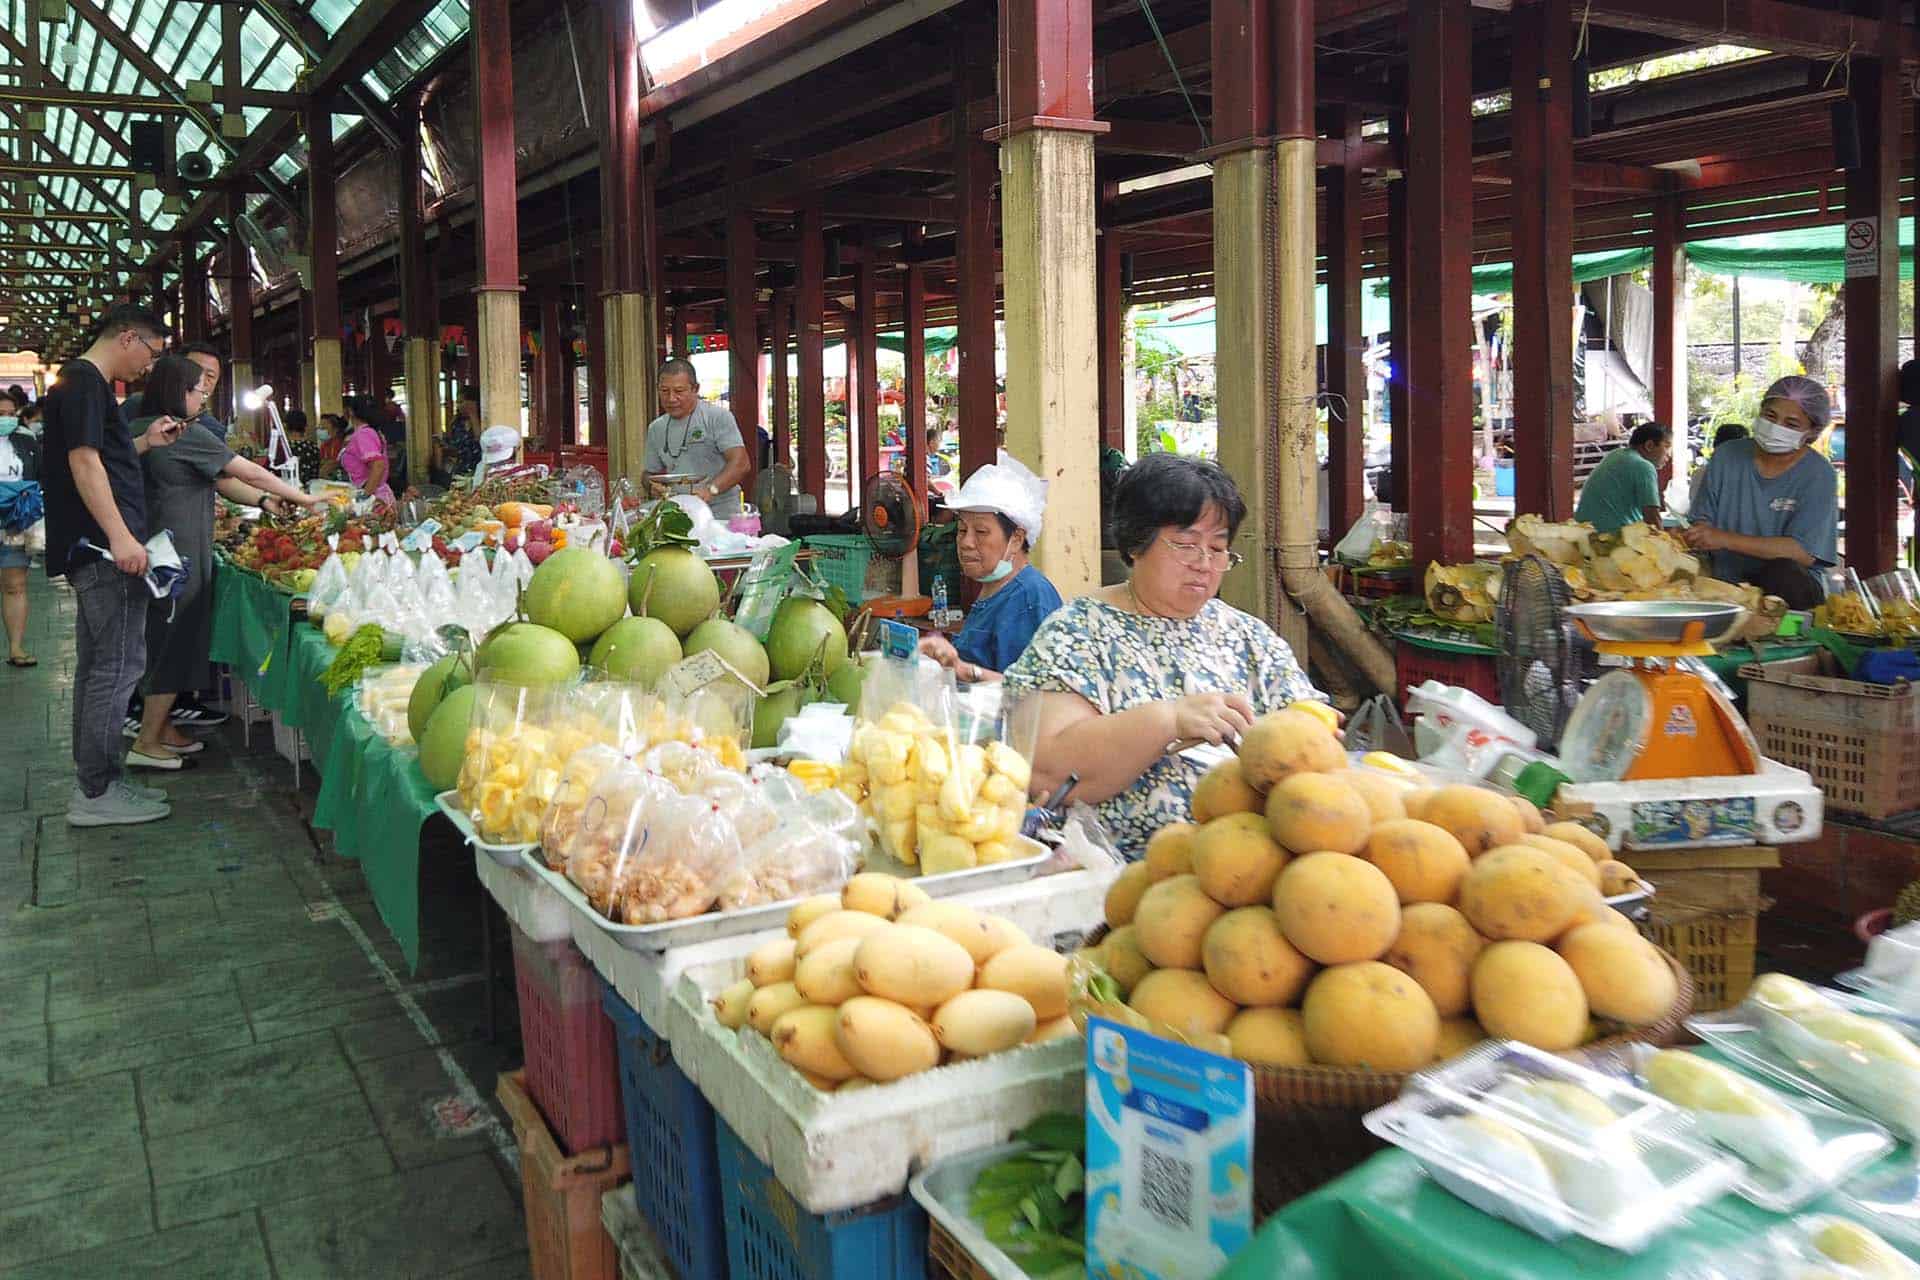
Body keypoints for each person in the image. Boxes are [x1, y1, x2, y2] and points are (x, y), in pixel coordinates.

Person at [1003, 453, 1328, 857]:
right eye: (1186, 545)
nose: (1204, 565)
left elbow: (1318, 736)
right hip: (1126, 875)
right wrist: (1168, 720)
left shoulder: (1249, 638)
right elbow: (1046, 771)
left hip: (1252, 866)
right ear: (1137, 543)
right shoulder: (1078, 633)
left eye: (1218, 549)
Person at [124, 355, 323, 769]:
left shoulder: (143, 430)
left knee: (161, 640)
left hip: (157, 550)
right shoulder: (180, 432)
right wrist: (302, 497)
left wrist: (268, 501)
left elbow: (222, 481)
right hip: (176, 556)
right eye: (200, 390)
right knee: (171, 644)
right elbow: (246, 471)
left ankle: (161, 729)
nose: (203, 399)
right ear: (178, 391)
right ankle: (147, 741)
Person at [40, 304, 182, 826]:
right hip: (104, 552)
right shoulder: (83, 382)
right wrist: (121, 537)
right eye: (151, 352)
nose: (149, 366)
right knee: (118, 667)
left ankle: (99, 784)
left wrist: (144, 442)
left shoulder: (85, 386)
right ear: (128, 338)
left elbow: (99, 455)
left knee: (100, 666)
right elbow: (84, 462)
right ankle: (97, 792)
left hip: (94, 547)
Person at [1683, 375, 1839, 610]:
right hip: (1725, 588)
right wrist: (1693, 536)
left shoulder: (1818, 473)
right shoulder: (1727, 456)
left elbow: (1804, 552)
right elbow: (1702, 521)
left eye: (1791, 424)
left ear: (1812, 432)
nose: (1776, 427)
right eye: (1771, 416)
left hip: (1791, 594)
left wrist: (1724, 539)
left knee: (1783, 571)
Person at [917, 452, 1062, 682]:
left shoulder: (1029, 598)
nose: (965, 542)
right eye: (962, 530)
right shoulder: (994, 589)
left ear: (1015, 539)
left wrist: (966, 671)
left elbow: (1036, 693)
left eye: (981, 532)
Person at [643, 358, 750, 517]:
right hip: (679, 514)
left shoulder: (717, 417)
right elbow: (648, 474)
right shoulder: (656, 428)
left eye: (679, 391)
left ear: (695, 389)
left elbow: (741, 464)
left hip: (720, 515)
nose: (671, 398)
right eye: (664, 391)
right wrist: (651, 486)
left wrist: (711, 490)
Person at [0, 389, 41, 667]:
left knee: (15, 585)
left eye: (9, 414)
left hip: (14, 520)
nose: (5, 419)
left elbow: (39, 475)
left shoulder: (27, 440)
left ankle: (16, 648)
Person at [1574, 423, 1671, 534]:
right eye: (1667, 446)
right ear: (1649, 445)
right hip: (1609, 539)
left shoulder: (1616, 454)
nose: (1669, 454)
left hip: (1582, 532)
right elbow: (1652, 518)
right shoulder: (1644, 466)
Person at [325, 396, 395, 506]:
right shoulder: (368, 432)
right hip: (375, 494)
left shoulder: (363, 434)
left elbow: (378, 465)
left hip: (373, 499)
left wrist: (364, 497)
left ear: (351, 412)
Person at [432, 388, 482, 485]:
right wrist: (443, 445)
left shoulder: (485, 419)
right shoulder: (457, 423)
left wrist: (473, 415)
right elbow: (456, 448)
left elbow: (479, 444)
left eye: (461, 402)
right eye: (457, 402)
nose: (458, 406)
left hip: (479, 470)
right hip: (461, 472)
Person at [283, 410, 321, 486]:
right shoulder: (313, 447)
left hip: (288, 490)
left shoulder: (284, 449)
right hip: (311, 490)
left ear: (285, 426)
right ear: (305, 426)